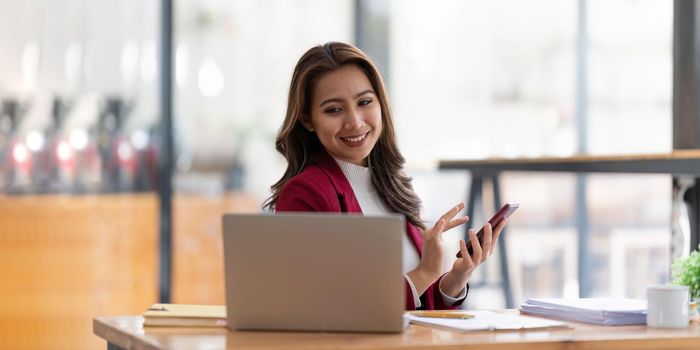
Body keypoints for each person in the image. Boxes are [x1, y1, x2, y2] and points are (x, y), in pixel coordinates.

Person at [263, 42, 507, 310]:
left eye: (365, 102)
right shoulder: (305, 193)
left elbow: (418, 307)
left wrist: (457, 276)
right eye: (334, 109)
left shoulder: (392, 184)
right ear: (307, 120)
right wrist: (425, 271)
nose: (355, 122)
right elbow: (330, 308)